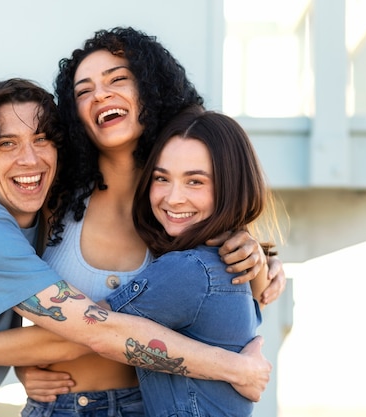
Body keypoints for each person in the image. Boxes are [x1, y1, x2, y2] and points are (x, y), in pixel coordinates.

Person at [0, 27, 285, 416]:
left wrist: (255, 256)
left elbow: (214, 299)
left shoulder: (176, 207)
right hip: (53, 407)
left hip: (142, 406)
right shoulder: (51, 192)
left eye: (117, 80)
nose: (101, 95)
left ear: (151, 89)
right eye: (84, 90)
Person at [104, 104, 278, 416]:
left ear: (230, 186)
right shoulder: (224, 266)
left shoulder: (189, 270)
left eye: (195, 181)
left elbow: (94, 331)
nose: (173, 198)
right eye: (161, 178)